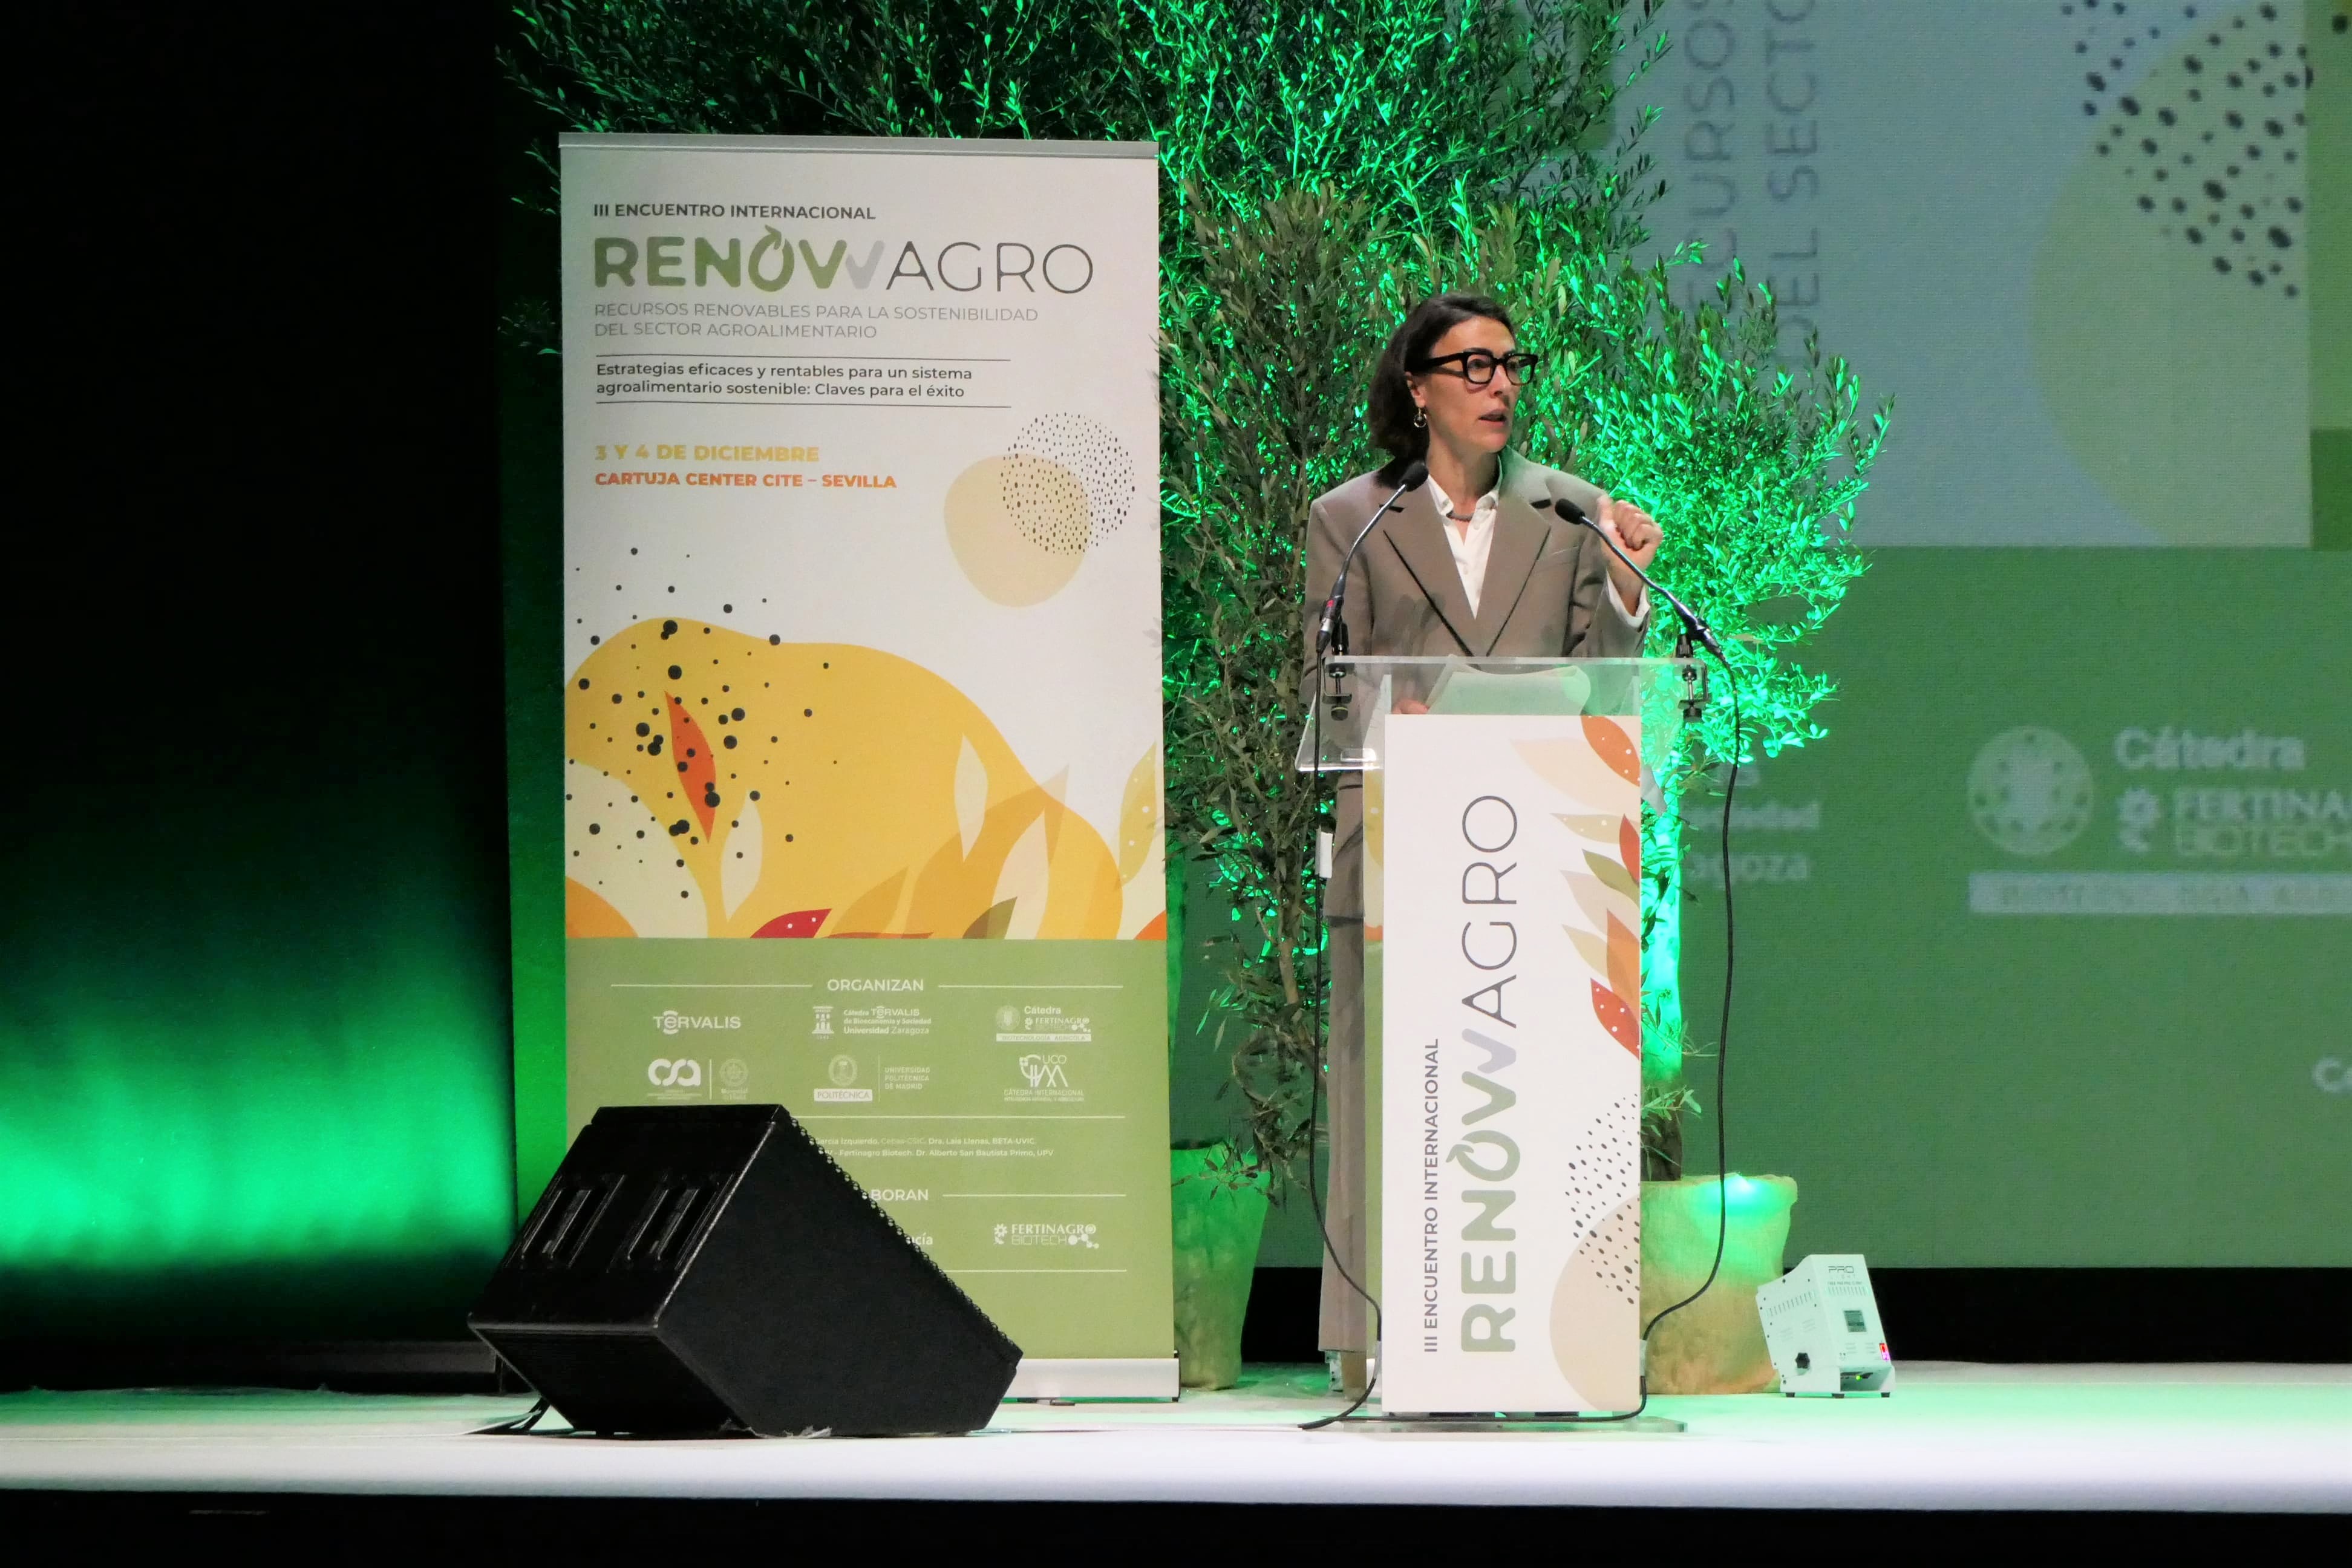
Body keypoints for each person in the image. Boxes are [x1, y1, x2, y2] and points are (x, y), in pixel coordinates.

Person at [1301, 292, 1664, 1393]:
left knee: (1537, 1099)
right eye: (1473, 366)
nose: (1501, 383)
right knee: (1381, 1100)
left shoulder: (1570, 512)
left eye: (1511, 364)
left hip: (1538, 857)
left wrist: (1629, 592)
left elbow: (1604, 692)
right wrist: (1395, 721)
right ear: (1417, 388)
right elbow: (1327, 687)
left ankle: (1555, 1345)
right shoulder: (1352, 517)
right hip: (1402, 851)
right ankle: (1374, 1341)